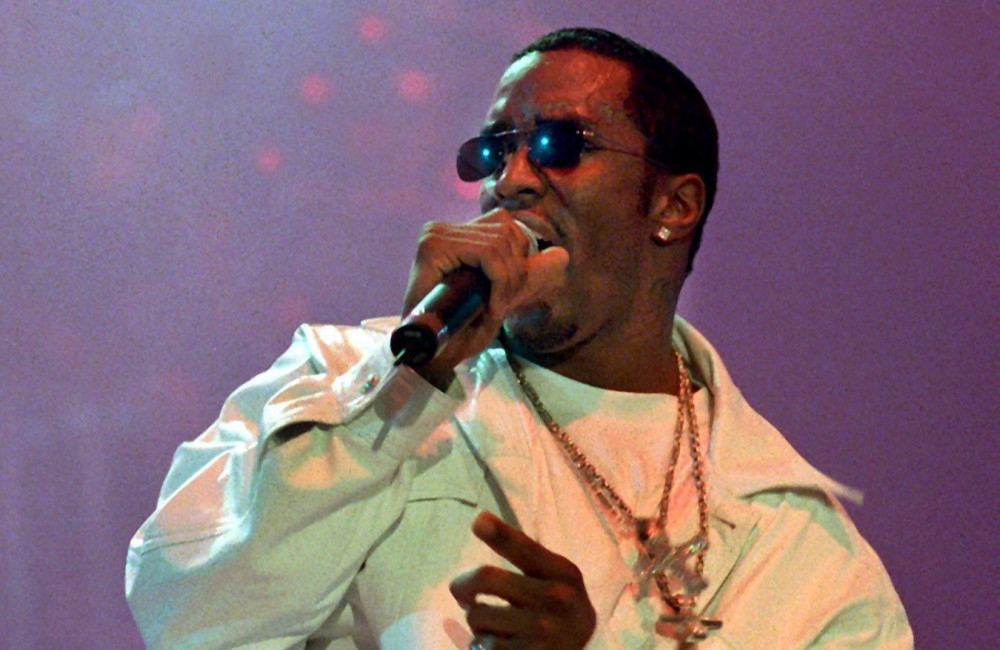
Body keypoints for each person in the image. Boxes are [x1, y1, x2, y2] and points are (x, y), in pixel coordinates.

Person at [126, 27, 912, 649]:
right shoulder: (340, 382)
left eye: (560, 146)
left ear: (674, 206)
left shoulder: (805, 554)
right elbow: (190, 617)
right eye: (493, 151)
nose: (510, 180)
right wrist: (404, 385)